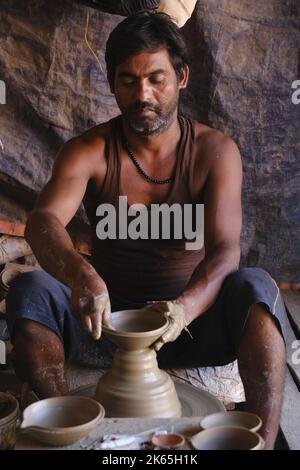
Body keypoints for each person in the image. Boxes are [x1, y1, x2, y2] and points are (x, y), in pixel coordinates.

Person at [6, 12, 286, 449]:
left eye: (157, 78)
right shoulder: (89, 150)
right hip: (104, 322)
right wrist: (83, 276)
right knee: (31, 292)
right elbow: (43, 222)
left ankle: (263, 443)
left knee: (257, 287)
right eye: (128, 81)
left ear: (182, 77)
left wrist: (182, 310)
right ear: (112, 83)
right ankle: (67, 428)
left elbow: (225, 250)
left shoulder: (215, 152)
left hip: (190, 322)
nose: (143, 94)